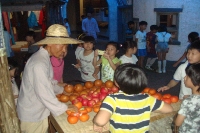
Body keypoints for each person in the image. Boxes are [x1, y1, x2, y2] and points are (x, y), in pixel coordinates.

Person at [17, 24, 82, 133]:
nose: (64, 50)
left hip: (37, 110)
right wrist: (64, 108)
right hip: (32, 114)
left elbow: (48, 83)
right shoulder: (39, 63)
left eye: (66, 47)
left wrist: (62, 90)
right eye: (61, 46)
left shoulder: (44, 58)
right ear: (49, 43)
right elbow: (44, 92)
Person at [93, 64, 173, 133]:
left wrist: (95, 122)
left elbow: (101, 121)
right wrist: (148, 107)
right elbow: (169, 109)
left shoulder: (112, 99)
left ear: (116, 83)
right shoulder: (147, 98)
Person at [175, 63, 200, 132]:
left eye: (187, 76)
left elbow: (178, 123)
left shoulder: (188, 102)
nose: (184, 78)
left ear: (195, 80)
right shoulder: (191, 99)